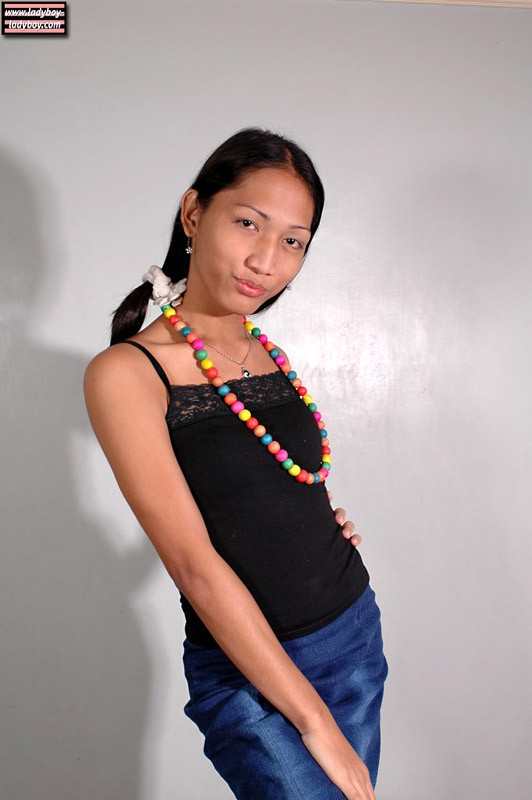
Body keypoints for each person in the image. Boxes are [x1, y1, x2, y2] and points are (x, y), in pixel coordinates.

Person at [83, 127, 389, 799]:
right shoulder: (127, 373)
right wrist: (313, 722)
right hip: (249, 673)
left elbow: (270, 484)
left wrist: (315, 524)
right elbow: (193, 564)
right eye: (248, 223)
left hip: (350, 637)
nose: (265, 260)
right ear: (195, 213)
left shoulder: (267, 354)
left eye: (293, 241)